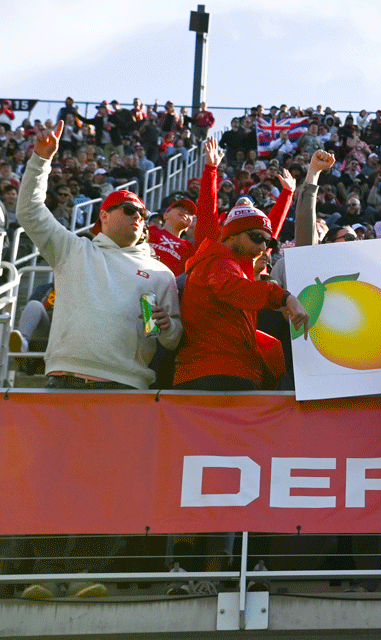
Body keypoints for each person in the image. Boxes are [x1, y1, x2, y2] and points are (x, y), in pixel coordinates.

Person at [16, 121, 183, 599]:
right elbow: (29, 211)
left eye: (144, 213)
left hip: (124, 391)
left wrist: (166, 327)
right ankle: (44, 576)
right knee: (50, 482)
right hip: (65, 384)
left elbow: (170, 340)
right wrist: (41, 159)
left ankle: (87, 574)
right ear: (103, 217)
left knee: (109, 486)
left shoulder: (160, 273)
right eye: (130, 209)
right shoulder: (74, 250)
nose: (140, 217)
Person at [173, 202, 309, 391]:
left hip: (223, 372)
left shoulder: (231, 266)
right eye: (256, 238)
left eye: (268, 242)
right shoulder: (217, 261)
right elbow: (234, 288)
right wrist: (285, 297)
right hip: (215, 373)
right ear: (231, 234)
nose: (263, 247)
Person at [147, 198, 196, 275]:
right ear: (166, 215)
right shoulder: (150, 231)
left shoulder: (189, 247)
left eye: (189, 213)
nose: (185, 212)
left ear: (188, 226)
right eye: (180, 208)